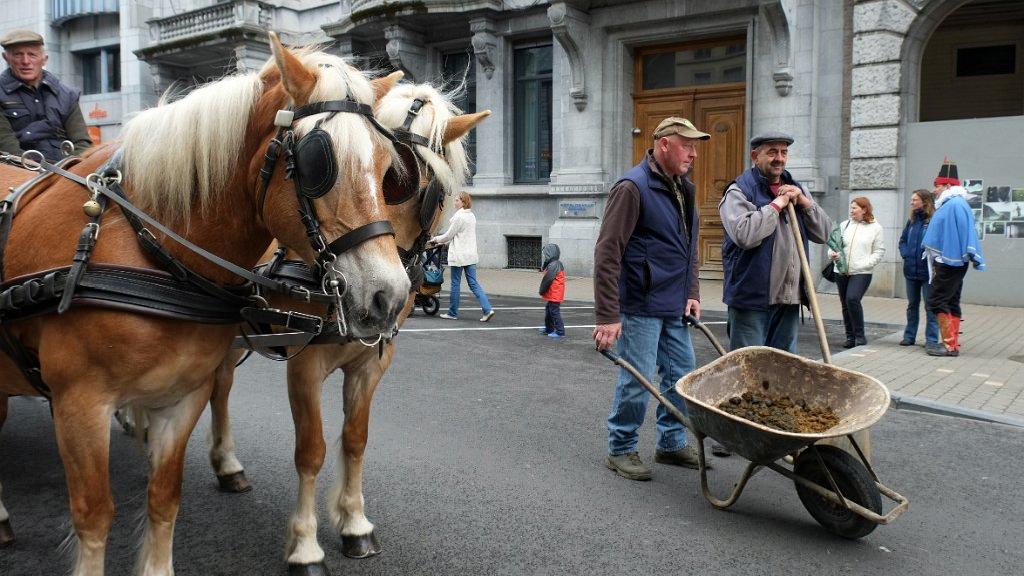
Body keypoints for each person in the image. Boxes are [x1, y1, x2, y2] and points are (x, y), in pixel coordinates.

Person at [593, 117, 708, 481]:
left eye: (695, 146)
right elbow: (607, 253)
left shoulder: (683, 187)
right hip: (641, 303)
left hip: (674, 302)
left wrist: (691, 292)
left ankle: (671, 443)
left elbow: (688, 248)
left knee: (682, 376)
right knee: (637, 379)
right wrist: (608, 315)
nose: (693, 153)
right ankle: (621, 447)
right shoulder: (632, 187)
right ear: (663, 145)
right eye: (686, 145)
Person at [719, 133, 831, 353]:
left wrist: (804, 202)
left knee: (783, 370)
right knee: (750, 368)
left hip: (789, 300)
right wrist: (777, 205)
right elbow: (745, 235)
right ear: (755, 156)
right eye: (772, 152)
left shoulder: (796, 190)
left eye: (784, 152)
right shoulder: (739, 192)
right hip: (751, 299)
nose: (779, 158)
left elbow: (824, 233)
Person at [923, 159, 985, 357]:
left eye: (937, 186)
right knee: (950, 300)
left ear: (948, 185)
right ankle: (952, 344)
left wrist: (969, 253)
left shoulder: (956, 204)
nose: (935, 190)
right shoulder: (952, 203)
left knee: (937, 300)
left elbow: (965, 231)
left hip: (950, 262)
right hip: (949, 261)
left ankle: (949, 345)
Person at [1, 29, 91, 161]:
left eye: (32, 55)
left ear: (44, 59)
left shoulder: (67, 95)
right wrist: (46, 172)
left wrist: (70, 172)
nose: (26, 61)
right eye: (18, 55)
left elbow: (82, 144)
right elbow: (7, 148)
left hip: (66, 173)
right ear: (6, 58)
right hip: (20, 173)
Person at [428, 191, 496, 322]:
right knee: (474, 283)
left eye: (457, 200)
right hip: (470, 255)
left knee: (455, 284)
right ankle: (488, 309)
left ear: (464, 202)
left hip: (459, 256)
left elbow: (449, 235)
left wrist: (435, 240)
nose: (455, 202)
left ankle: (452, 313)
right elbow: (460, 236)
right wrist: (446, 241)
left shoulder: (459, 217)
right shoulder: (471, 216)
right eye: (454, 200)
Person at [828, 197, 884, 348]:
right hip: (840, 269)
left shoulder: (875, 228)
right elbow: (834, 244)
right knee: (845, 304)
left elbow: (879, 251)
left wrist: (866, 264)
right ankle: (850, 337)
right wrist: (832, 254)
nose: (851, 210)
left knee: (852, 299)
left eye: (854, 208)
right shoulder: (844, 225)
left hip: (862, 272)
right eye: (851, 207)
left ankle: (860, 336)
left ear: (864, 209)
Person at [898, 189, 940, 352]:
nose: (911, 202)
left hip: (928, 272)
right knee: (912, 305)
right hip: (910, 270)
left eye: (914, 199)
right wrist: (906, 254)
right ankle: (909, 336)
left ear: (924, 201)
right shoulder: (912, 220)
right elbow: (902, 240)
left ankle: (931, 339)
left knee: (930, 306)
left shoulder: (933, 220)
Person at [538, 243, 566, 339]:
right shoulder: (554, 263)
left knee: (554, 312)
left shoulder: (554, 265)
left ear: (550, 254)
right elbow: (543, 269)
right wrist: (545, 263)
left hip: (555, 294)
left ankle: (560, 331)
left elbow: (548, 279)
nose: (544, 256)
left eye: (546, 254)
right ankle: (549, 328)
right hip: (553, 293)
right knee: (549, 311)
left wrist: (541, 290)